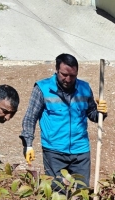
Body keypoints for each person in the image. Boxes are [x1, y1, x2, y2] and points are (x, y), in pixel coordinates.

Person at [20, 53, 108, 188]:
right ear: (56, 70)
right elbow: (30, 117)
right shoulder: (42, 89)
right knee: (58, 193)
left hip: (81, 150)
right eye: (64, 75)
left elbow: (92, 114)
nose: (68, 79)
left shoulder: (84, 88)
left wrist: (101, 112)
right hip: (54, 151)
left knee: (81, 193)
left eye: (73, 76)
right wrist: (28, 144)